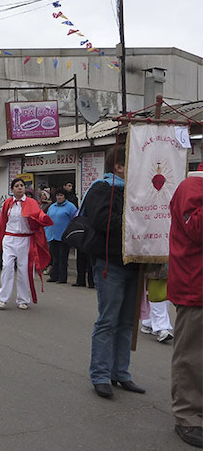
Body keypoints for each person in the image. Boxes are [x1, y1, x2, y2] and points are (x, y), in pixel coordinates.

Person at [82, 144, 145, 399]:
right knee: (108, 320)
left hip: (134, 264)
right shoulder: (101, 188)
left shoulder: (137, 191)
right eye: (131, 164)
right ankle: (100, 375)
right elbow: (101, 221)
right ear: (118, 166)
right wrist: (137, 220)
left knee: (127, 322)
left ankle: (121, 373)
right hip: (111, 264)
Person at [167, 163, 202, 448]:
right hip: (195, 287)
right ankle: (188, 416)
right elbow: (197, 229)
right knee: (191, 356)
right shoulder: (191, 187)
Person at [0, 178, 52, 310]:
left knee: (24, 270)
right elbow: (2, 223)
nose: (20, 188)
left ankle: (23, 299)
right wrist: (0, 240)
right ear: (12, 189)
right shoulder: (7, 203)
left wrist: (44, 218)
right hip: (9, 238)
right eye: (17, 186)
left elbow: (38, 214)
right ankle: (3, 298)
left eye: (22, 185)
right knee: (7, 267)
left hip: (25, 240)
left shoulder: (32, 202)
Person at [46, 188, 78, 284]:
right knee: (54, 257)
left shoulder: (70, 207)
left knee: (62, 258)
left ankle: (62, 277)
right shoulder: (52, 207)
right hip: (52, 236)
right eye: (57, 195)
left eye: (61, 195)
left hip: (64, 237)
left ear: (65, 197)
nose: (59, 197)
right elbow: (47, 219)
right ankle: (54, 276)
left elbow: (75, 219)